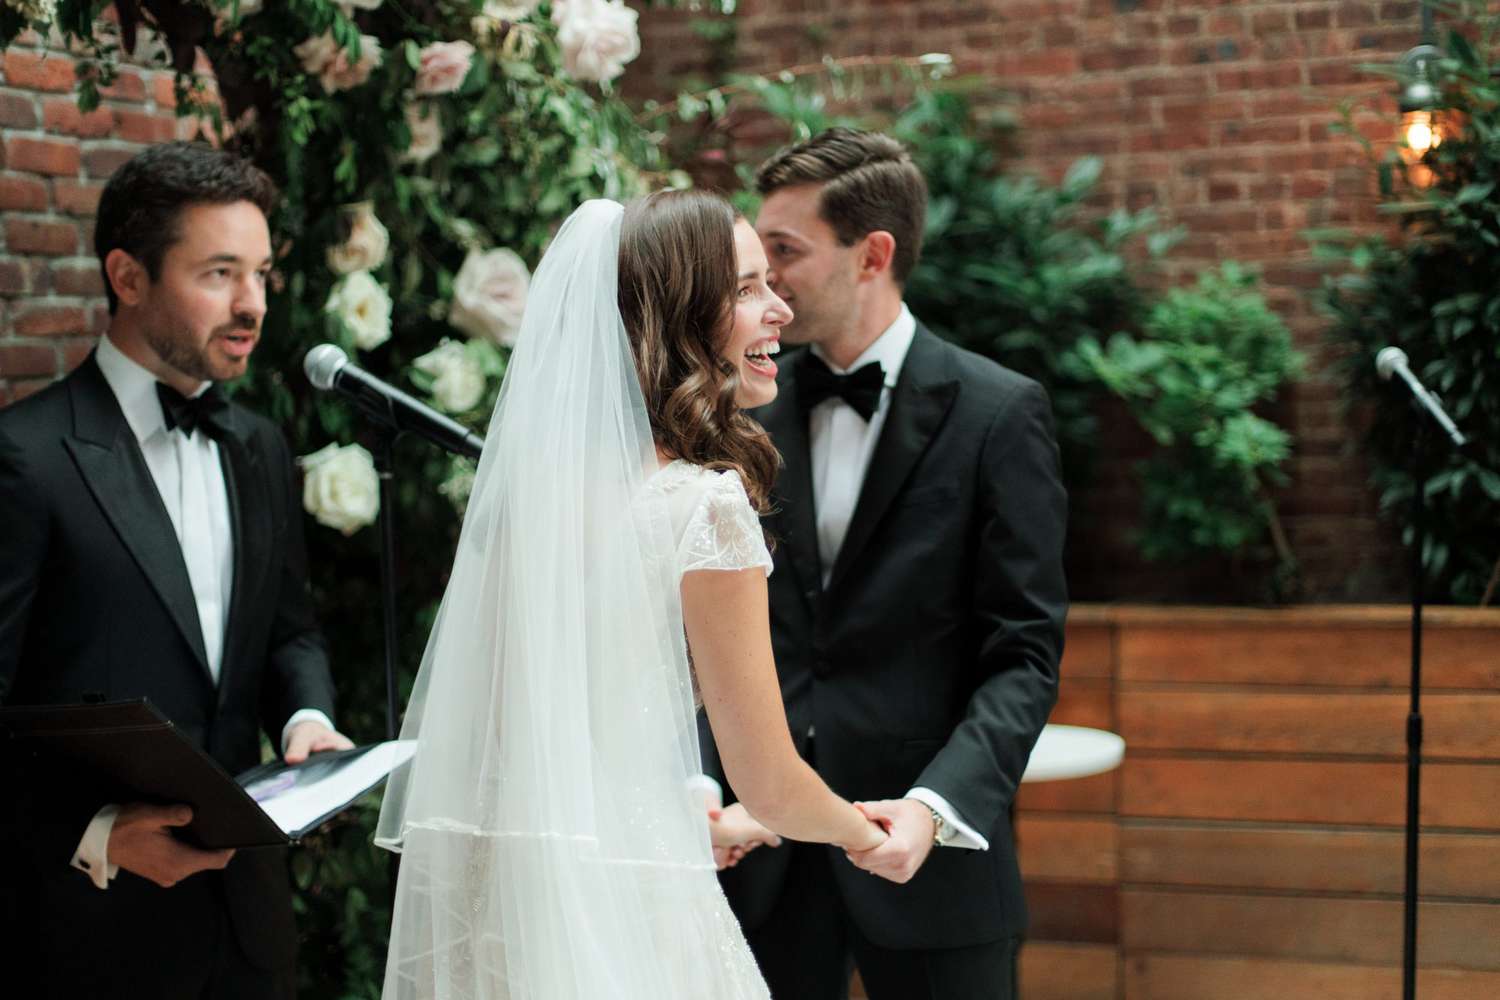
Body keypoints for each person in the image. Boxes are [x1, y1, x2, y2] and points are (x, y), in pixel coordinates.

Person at [375, 190, 887, 1000]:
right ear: (684, 315)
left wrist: (678, 816)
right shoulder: (703, 508)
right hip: (628, 921)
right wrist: (866, 832)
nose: (779, 308)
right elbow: (768, 778)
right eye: (748, 288)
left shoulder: (533, 503)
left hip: (513, 909)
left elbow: (523, 749)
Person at [697, 127, 1069, 999]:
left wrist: (936, 808)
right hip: (758, 864)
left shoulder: (999, 414)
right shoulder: (740, 413)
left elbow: (1023, 654)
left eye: (783, 252)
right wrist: (707, 789)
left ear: (872, 255)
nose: (766, 282)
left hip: (933, 867)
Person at [0, 142, 353, 999]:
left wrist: (307, 717)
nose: (252, 305)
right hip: (85, 939)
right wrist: (97, 834)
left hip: (249, 935)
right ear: (127, 277)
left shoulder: (259, 444)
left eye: (261, 273)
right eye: (220, 273)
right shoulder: (26, 459)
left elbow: (289, 630)